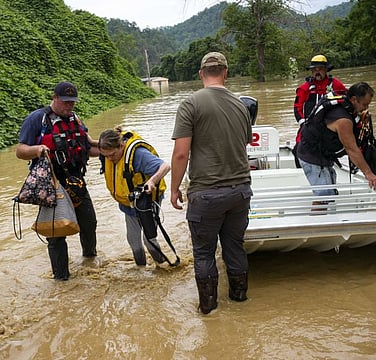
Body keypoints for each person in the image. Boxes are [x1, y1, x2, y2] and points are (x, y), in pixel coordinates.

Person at [170, 52, 253, 314]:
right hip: (240, 191)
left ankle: (208, 309)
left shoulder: (190, 104)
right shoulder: (242, 105)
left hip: (206, 194)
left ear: (200, 74)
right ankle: (239, 300)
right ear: (226, 73)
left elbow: (181, 153)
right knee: (234, 247)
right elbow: (245, 143)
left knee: (204, 253)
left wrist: (173, 189)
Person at [16, 81, 99, 281]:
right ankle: (61, 279)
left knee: (89, 223)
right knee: (55, 234)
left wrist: (112, 148)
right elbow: (20, 151)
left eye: (72, 102)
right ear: (55, 98)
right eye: (65, 102)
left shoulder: (75, 119)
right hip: (51, 184)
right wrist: (36, 150)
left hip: (75, 181)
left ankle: (90, 262)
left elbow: (88, 146)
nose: (69, 106)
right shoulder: (38, 119)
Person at [297, 81, 376, 199]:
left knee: (329, 195)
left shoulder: (345, 105)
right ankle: (319, 216)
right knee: (324, 198)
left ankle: (325, 214)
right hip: (312, 157)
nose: (366, 108)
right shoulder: (343, 120)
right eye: (364, 105)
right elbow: (352, 149)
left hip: (319, 153)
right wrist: (369, 174)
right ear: (354, 99)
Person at [98, 127, 170, 266]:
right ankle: (141, 269)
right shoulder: (108, 152)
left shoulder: (138, 154)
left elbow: (165, 166)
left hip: (146, 201)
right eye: (106, 156)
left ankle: (162, 266)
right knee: (133, 240)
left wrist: (152, 181)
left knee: (149, 240)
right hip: (128, 202)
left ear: (121, 146)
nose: (109, 159)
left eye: (112, 155)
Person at [293, 55, 347, 167]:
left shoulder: (336, 85)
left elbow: (348, 100)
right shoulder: (304, 88)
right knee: (298, 148)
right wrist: (303, 123)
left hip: (330, 127)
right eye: (314, 70)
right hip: (309, 127)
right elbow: (297, 108)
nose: (317, 72)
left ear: (326, 70)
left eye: (320, 69)